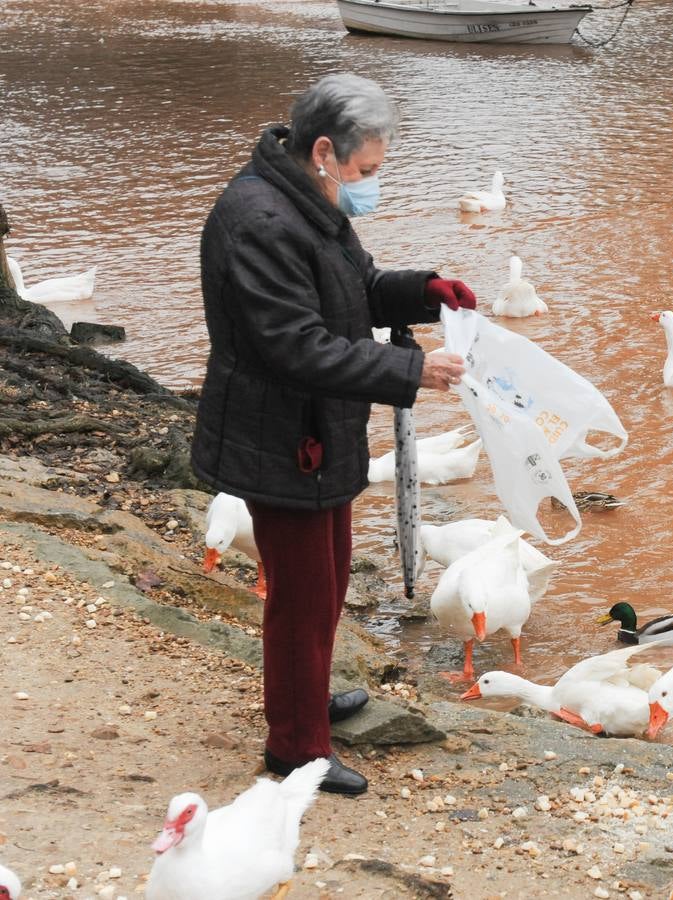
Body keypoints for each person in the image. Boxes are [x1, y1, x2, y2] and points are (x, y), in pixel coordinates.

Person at [191, 74, 474, 795]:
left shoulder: (308, 198)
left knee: (330, 576)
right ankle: (295, 749)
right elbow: (298, 347)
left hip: (318, 431)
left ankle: (305, 701)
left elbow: (359, 285)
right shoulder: (259, 222)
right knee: (303, 595)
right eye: (367, 172)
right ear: (324, 151)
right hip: (279, 434)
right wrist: (413, 370)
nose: (370, 186)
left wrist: (425, 290)